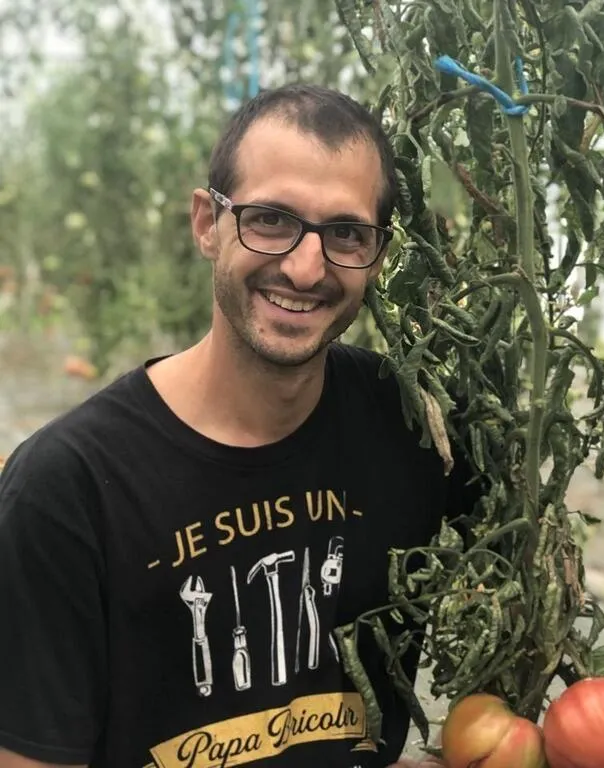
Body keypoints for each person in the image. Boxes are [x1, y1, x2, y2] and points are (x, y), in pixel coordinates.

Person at [0, 84, 473, 768]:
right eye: (271, 219)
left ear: (377, 254)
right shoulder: (68, 488)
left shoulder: (413, 430)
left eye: (346, 233)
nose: (306, 268)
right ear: (207, 223)